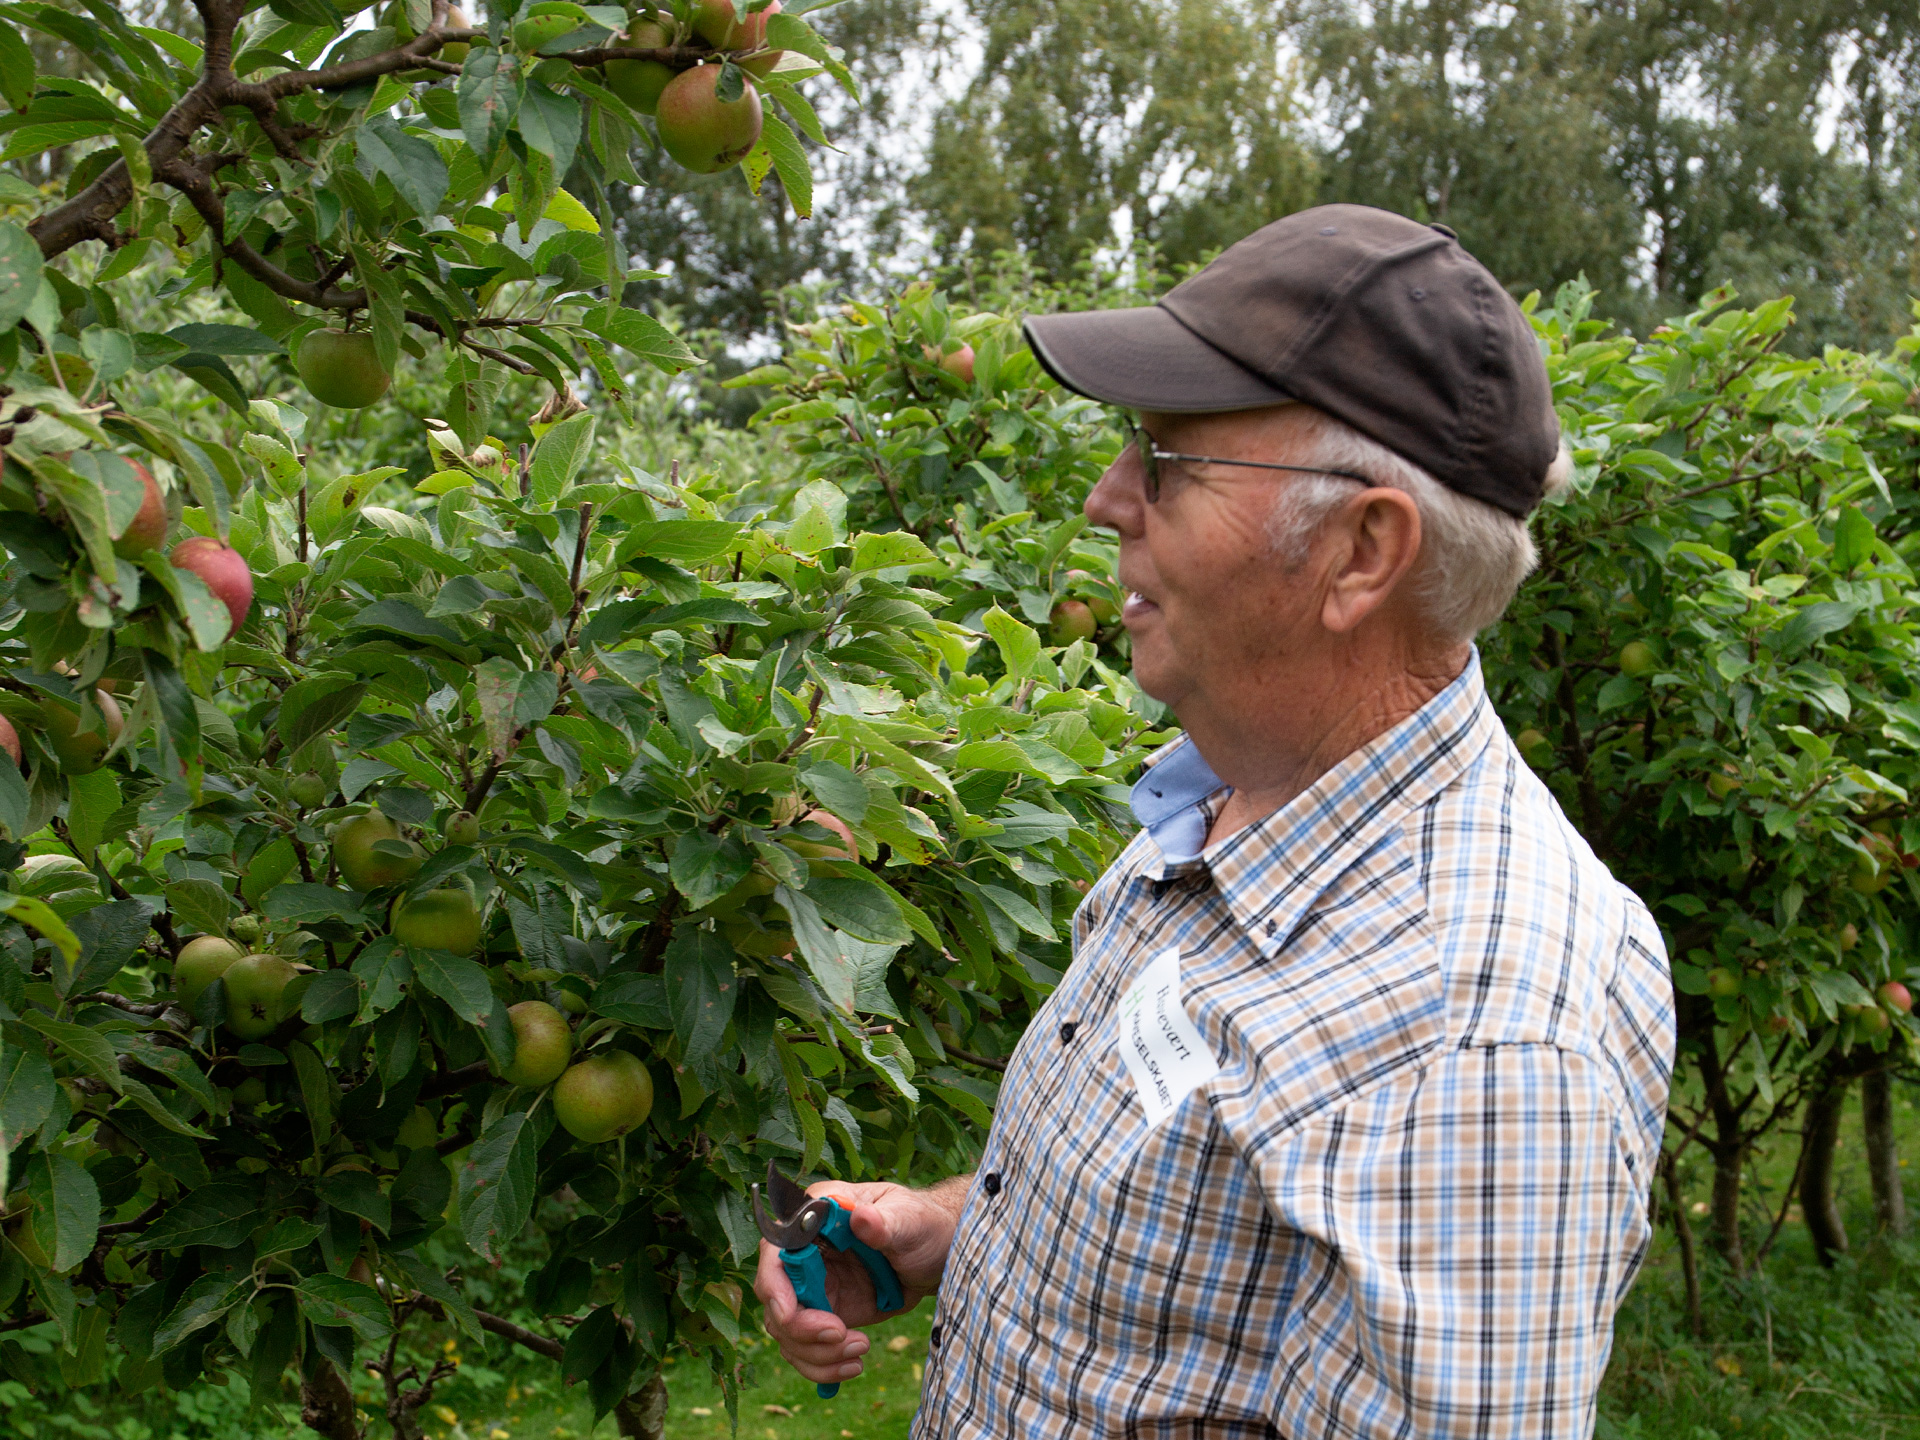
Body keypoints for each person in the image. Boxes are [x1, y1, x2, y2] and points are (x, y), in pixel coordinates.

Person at [755, 204, 1675, 1438]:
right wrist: (958, 1231)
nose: (1105, 498)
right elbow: (1204, 1205)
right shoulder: (1231, 796)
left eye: (1169, 463)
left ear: (1360, 550)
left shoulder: (1475, 1043)